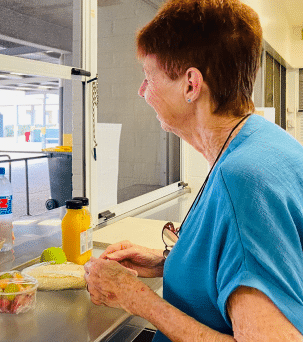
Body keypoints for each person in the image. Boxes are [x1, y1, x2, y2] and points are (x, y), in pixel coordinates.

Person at [84, 0, 303, 341]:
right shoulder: (264, 142)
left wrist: (136, 299)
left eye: (148, 78)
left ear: (190, 85)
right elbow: (248, 260)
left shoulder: (243, 179)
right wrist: (164, 262)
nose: (142, 92)